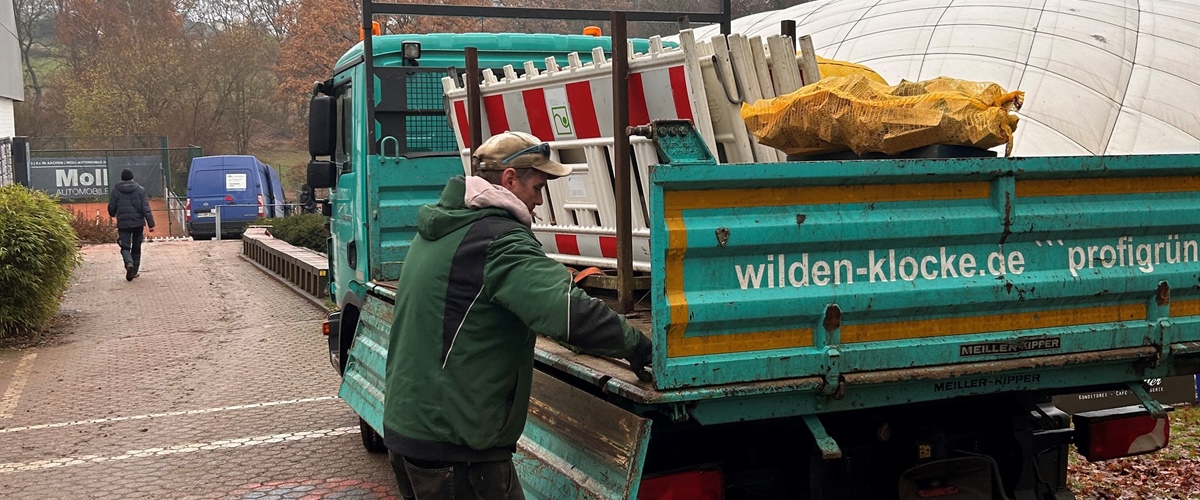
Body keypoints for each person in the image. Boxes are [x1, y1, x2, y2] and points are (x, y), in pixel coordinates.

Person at [383, 131, 653, 500]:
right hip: (458, 445)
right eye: (538, 187)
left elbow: (518, 304)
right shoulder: (497, 240)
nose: (540, 201)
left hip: (414, 430)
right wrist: (637, 344)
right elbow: (568, 312)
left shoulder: (446, 225)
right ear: (510, 179)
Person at [107, 168, 155, 281]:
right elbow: (145, 208)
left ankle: (129, 263)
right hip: (138, 223)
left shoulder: (116, 191)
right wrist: (151, 224)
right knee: (137, 247)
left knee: (125, 246)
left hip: (123, 223)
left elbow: (111, 208)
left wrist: (113, 213)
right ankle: (134, 272)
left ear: (122, 178)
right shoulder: (140, 190)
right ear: (132, 178)